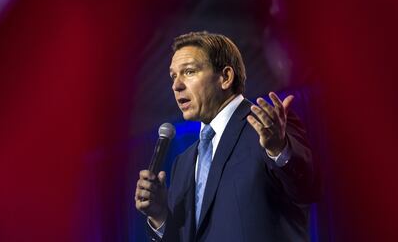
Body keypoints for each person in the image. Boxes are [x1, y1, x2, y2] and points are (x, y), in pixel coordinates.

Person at [134, 31, 320, 241]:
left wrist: (279, 150)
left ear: (225, 77)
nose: (176, 86)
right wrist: (160, 216)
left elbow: (307, 189)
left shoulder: (268, 127)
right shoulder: (183, 163)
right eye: (173, 76)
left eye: (189, 72)